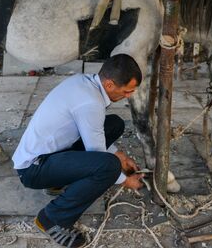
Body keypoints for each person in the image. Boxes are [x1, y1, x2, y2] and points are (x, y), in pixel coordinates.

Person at [12, 54, 145, 248]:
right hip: (33, 169)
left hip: (50, 154)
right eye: (127, 91)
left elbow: (93, 132)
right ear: (109, 85)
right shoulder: (90, 103)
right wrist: (125, 180)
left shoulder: (84, 82)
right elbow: (97, 153)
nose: (129, 96)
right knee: (108, 167)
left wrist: (119, 154)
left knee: (114, 124)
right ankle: (51, 218)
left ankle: (58, 182)